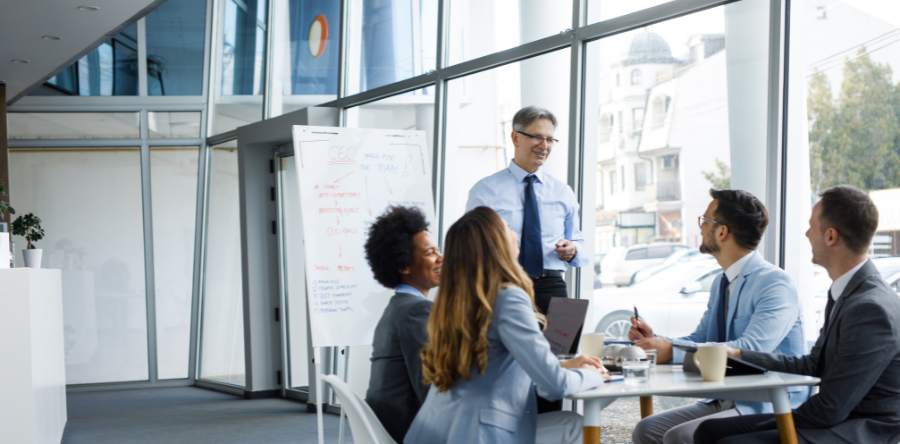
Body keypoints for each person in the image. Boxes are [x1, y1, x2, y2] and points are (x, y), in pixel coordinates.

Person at [694, 185, 900, 444]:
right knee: (708, 431)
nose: (806, 234)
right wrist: (739, 355)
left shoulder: (870, 308)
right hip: (836, 419)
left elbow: (831, 408)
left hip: (859, 430)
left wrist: (773, 421)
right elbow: (812, 365)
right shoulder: (848, 291)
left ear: (831, 236)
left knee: (728, 441)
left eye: (812, 227)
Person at [404, 206, 608, 444]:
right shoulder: (507, 297)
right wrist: (593, 374)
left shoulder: (456, 300)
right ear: (496, 243)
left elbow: (494, 370)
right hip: (479, 435)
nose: (514, 232)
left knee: (569, 422)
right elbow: (554, 386)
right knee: (575, 425)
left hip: (437, 430)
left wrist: (563, 366)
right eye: (507, 227)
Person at [629, 189, 808, 444]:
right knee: (647, 430)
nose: (700, 228)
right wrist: (655, 341)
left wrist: (672, 350)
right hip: (725, 397)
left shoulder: (775, 283)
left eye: (704, 221)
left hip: (769, 402)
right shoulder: (720, 282)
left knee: (678, 436)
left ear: (722, 232)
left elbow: (753, 350)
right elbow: (700, 338)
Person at [465, 106, 587, 315]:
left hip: (553, 286)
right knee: (505, 347)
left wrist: (572, 249)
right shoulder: (485, 190)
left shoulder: (562, 191)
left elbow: (578, 242)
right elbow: (470, 246)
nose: (544, 146)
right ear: (515, 138)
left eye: (550, 139)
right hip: (504, 285)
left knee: (562, 347)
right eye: (537, 137)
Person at [363, 206, 442, 443]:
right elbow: (432, 390)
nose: (441, 258)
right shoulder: (416, 310)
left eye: (438, 250)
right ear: (403, 266)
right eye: (431, 253)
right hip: (410, 431)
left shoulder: (398, 306)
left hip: (392, 425)